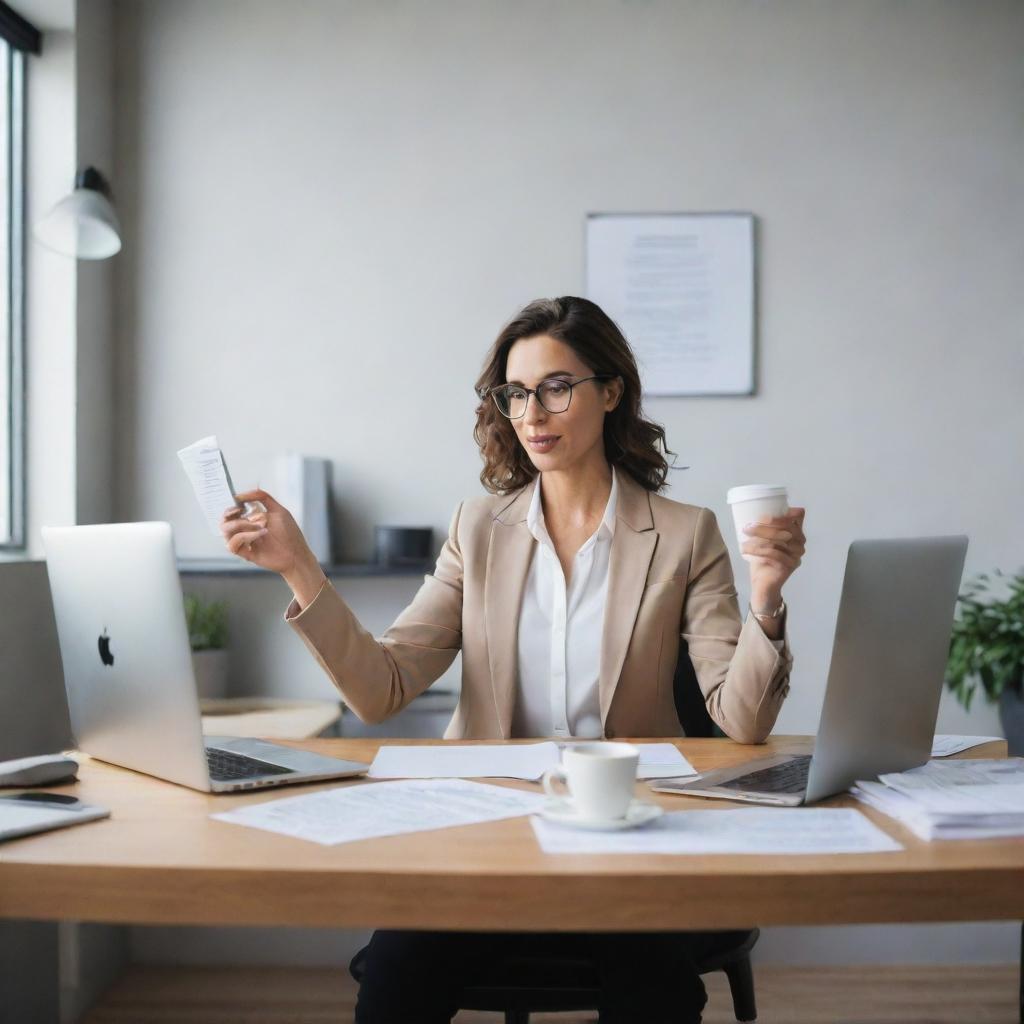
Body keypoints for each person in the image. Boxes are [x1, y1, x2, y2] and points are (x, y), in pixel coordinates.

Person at [220, 295, 807, 1024]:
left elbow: (743, 721)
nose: (533, 413)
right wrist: (298, 566)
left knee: (653, 989)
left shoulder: (686, 535)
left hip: (625, 829)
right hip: (486, 829)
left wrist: (769, 596)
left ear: (611, 391)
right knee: (396, 978)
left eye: (557, 387)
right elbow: (383, 688)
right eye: (516, 393)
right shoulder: (479, 528)